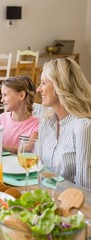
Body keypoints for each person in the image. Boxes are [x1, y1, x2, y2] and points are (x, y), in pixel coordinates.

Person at [37, 58, 91, 191]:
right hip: (47, 197)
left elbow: (84, 189)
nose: (38, 89)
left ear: (60, 86)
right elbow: (40, 168)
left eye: (43, 83)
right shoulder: (46, 122)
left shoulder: (82, 126)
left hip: (73, 205)